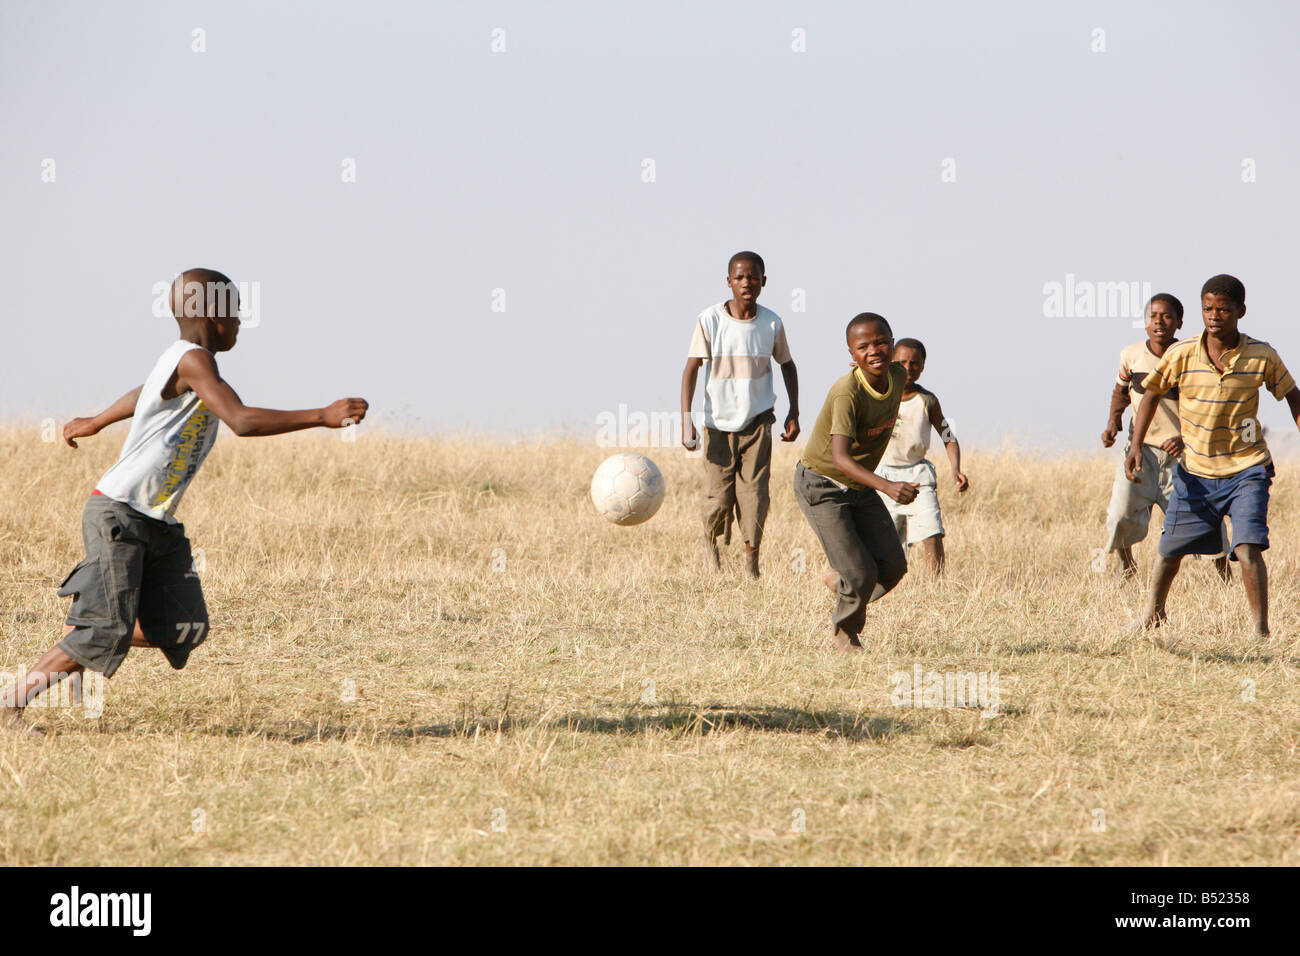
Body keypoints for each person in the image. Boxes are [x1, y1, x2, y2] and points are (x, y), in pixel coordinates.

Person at [2, 269, 368, 730]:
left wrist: (97, 420)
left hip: (155, 522)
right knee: (107, 628)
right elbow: (240, 420)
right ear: (213, 315)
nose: (239, 324)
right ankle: (12, 702)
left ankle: (91, 628)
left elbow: (145, 392)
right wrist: (321, 415)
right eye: (235, 313)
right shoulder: (193, 360)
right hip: (119, 512)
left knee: (185, 626)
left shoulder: (182, 363)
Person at [1126, 274, 1300, 639]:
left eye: (1223, 309)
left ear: (1241, 311)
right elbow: (1150, 394)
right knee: (1170, 550)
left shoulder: (1261, 355)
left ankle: (1260, 631)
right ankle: (1153, 614)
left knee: (1249, 546)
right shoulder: (1182, 353)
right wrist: (1136, 446)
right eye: (1208, 308)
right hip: (1195, 471)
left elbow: (1292, 396)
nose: (1214, 315)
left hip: (1247, 469)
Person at [794, 313, 915, 652]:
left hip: (858, 487)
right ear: (852, 356)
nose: (874, 351)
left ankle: (845, 584)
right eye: (863, 347)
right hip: (823, 485)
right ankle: (844, 633)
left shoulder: (898, 374)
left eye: (881, 342)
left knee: (892, 566)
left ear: (893, 345)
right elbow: (840, 460)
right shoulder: (847, 393)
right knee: (861, 572)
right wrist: (888, 487)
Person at [681, 251, 798, 579]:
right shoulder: (710, 319)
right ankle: (711, 549)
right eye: (740, 277)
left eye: (753, 277)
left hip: (758, 421)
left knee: (755, 494)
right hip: (718, 424)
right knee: (718, 496)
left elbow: (787, 364)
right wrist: (686, 420)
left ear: (763, 281)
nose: (747, 283)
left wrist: (794, 412)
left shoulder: (771, 322)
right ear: (729, 281)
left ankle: (751, 562)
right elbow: (691, 369)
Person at [1101, 294, 1230, 582]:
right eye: (1152, 316)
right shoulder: (1130, 355)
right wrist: (1113, 422)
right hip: (1140, 451)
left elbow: (1210, 404)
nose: (1159, 322)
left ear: (1180, 322)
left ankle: (1225, 575)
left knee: (1205, 516)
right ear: (1145, 322)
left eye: (1167, 316)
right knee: (1120, 513)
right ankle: (1127, 565)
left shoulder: (1194, 356)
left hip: (1184, 456)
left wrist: (1185, 436)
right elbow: (1121, 391)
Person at [875, 338, 968, 574]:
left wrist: (955, 469)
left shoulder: (928, 401)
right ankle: (888, 584)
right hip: (883, 475)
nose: (908, 369)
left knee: (931, 530)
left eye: (914, 364)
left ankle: (935, 585)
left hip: (917, 472)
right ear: (890, 363)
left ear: (923, 366)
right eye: (902, 362)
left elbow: (949, 438)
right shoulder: (879, 394)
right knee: (887, 540)